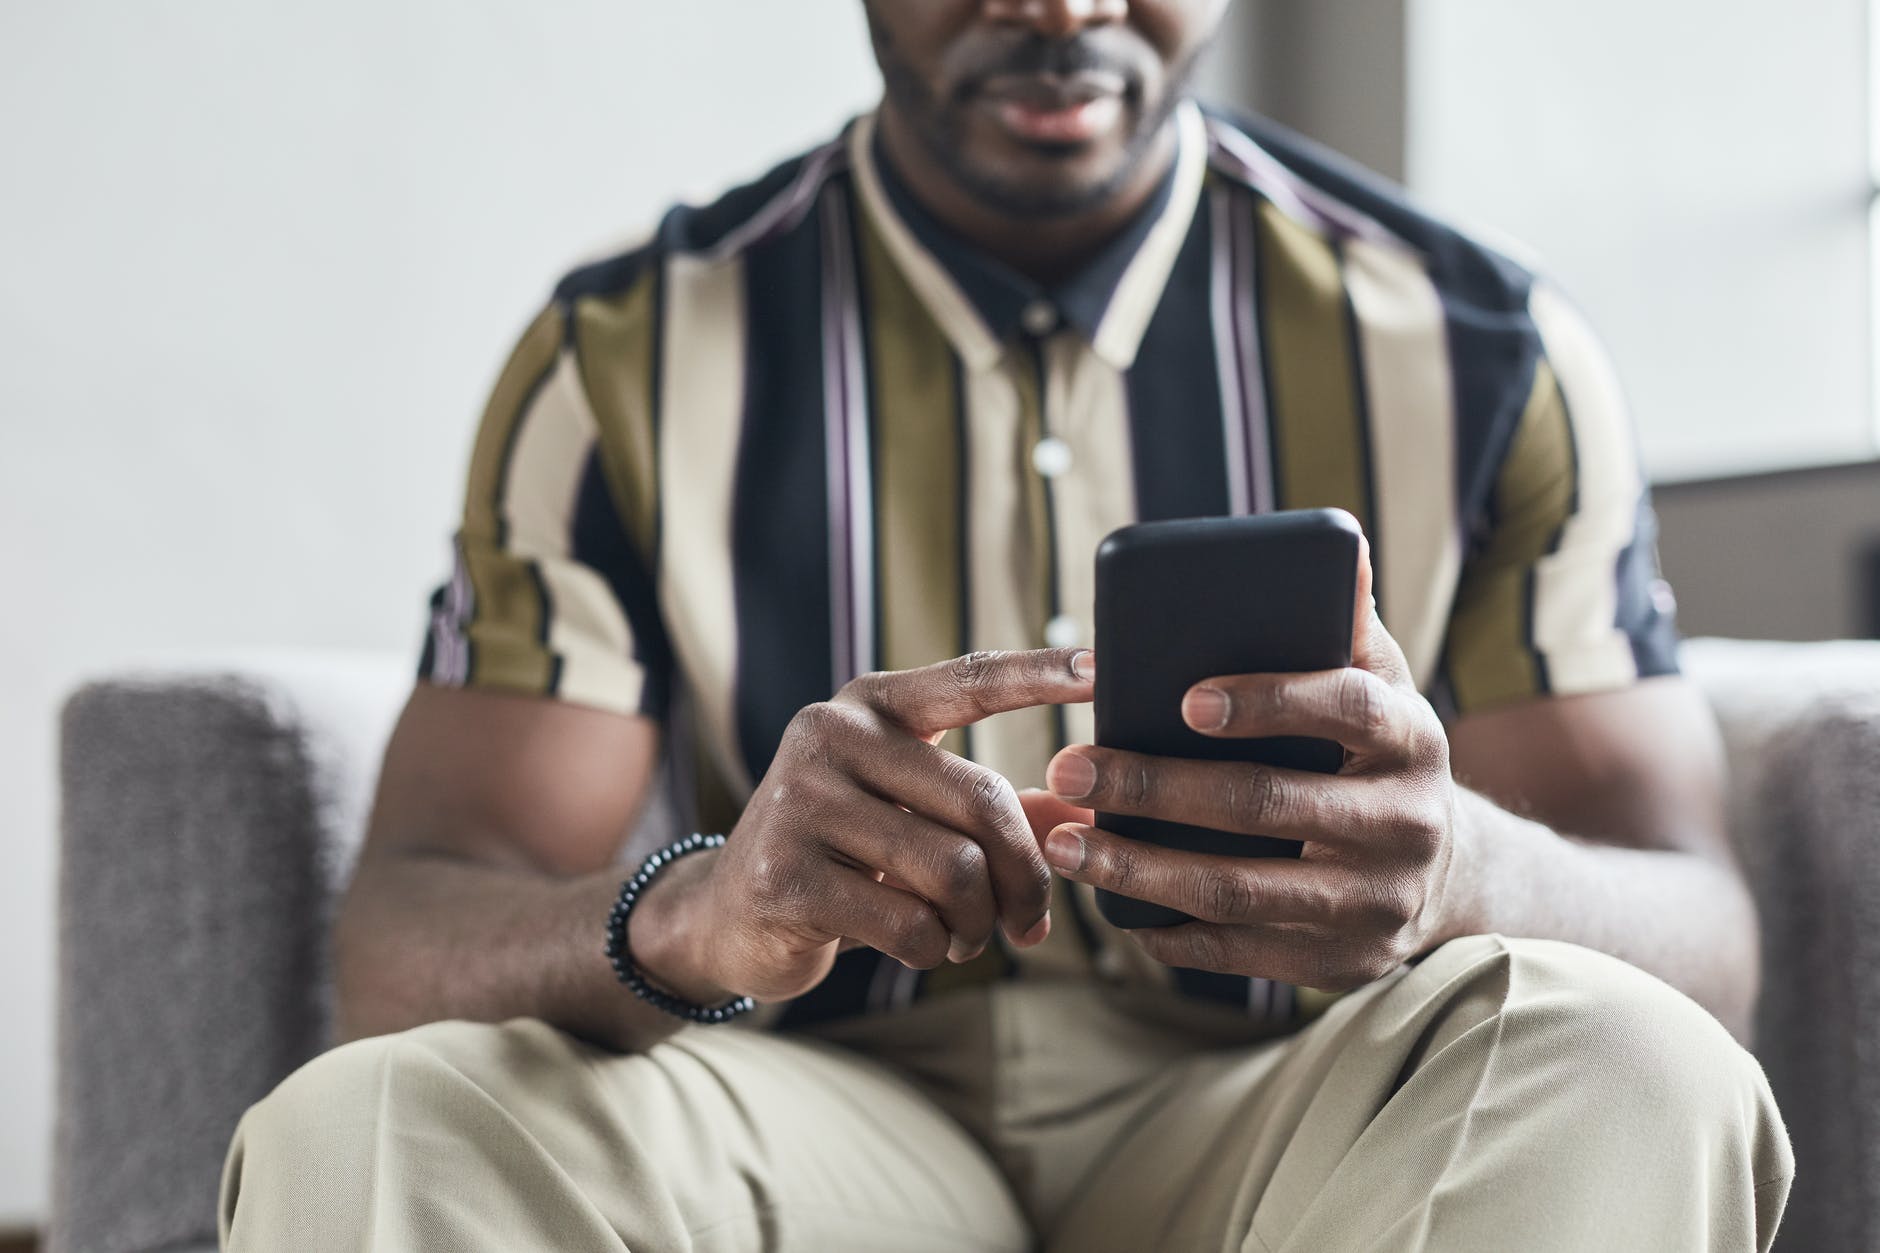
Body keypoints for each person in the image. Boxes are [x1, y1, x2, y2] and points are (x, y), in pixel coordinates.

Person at [218, 2, 1793, 1249]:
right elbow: (404, 935)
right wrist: (695, 908)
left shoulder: (1485, 350)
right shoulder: (622, 360)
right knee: (363, 1124)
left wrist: (1462, 865)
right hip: (807, 1106)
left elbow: (1702, 938)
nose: (1061, 4)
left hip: (1298, 1118)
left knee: (1639, 1068)